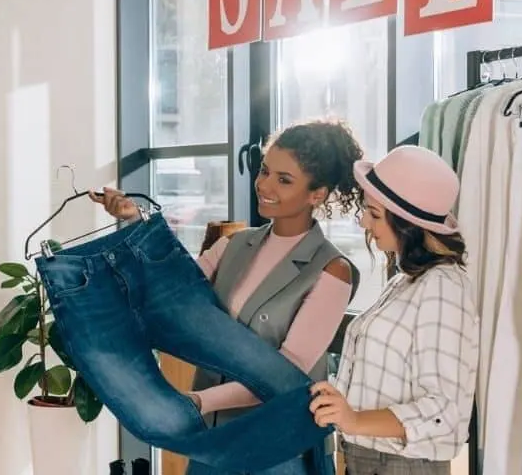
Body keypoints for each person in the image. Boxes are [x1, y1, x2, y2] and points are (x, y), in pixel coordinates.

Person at [91, 120, 365, 475]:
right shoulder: (233, 245)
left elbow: (284, 373)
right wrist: (136, 220)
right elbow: (171, 291)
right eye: (265, 171)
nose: (265, 185)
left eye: (284, 180)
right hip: (213, 440)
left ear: (317, 194)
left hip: (275, 448)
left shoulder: (331, 270)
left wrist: (198, 401)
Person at [308, 145, 480, 475]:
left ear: (406, 225)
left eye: (373, 213)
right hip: (366, 460)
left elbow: (443, 409)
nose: (362, 222)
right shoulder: (404, 283)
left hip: (401, 467)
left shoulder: (443, 288)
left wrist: (354, 418)